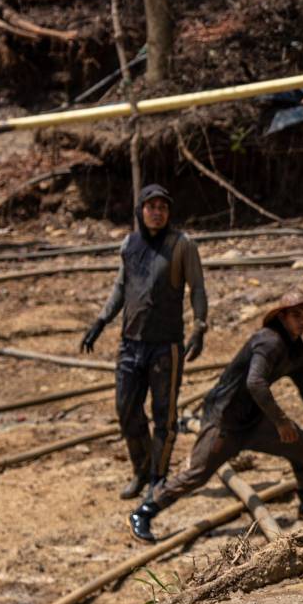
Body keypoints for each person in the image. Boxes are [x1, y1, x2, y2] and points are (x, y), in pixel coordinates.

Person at [128, 290, 303, 542]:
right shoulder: (269, 341)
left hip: (254, 419)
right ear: (282, 316)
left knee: (300, 444)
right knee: (196, 474)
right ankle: (143, 512)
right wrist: (282, 421)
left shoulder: (296, 349)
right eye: (296, 315)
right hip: (224, 419)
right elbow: (255, 383)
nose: (302, 321)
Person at [80, 184, 210, 499]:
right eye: (151, 207)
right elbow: (121, 288)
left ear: (168, 213)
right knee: (126, 410)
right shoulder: (129, 244)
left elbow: (198, 288)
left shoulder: (182, 246)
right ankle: (141, 468)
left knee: (164, 415)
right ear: (141, 211)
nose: (156, 212)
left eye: (162, 208)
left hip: (166, 346)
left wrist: (199, 326)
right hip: (130, 344)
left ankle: (157, 478)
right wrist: (100, 322)